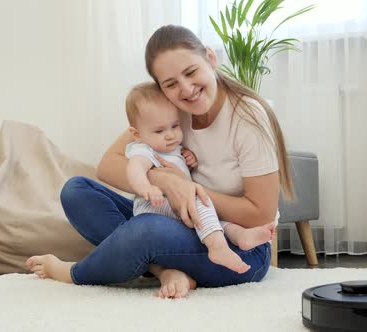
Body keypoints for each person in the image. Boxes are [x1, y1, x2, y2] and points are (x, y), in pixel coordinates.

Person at [26, 24, 295, 299]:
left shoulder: (248, 116)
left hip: (237, 246)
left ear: (210, 59)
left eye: (191, 72)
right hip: (179, 223)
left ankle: (73, 273)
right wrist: (163, 180)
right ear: (161, 88)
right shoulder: (172, 110)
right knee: (77, 191)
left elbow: (261, 213)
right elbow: (108, 164)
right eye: (171, 84)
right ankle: (163, 269)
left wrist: (190, 193)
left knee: (146, 230)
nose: (187, 89)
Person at [123, 82, 276, 274]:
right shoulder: (143, 149)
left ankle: (240, 236)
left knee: (213, 217)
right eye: (160, 131)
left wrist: (189, 159)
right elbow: (134, 169)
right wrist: (147, 187)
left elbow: (180, 167)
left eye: (175, 126)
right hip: (156, 206)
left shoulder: (171, 147)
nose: (170, 135)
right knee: (197, 196)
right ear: (136, 134)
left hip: (177, 209)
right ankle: (217, 248)